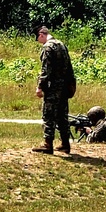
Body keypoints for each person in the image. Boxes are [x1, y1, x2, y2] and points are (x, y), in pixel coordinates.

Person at [32, 26, 76, 155]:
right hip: (64, 87)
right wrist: (71, 85)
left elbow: (46, 70)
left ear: (41, 34)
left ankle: (47, 144)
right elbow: (69, 67)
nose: (39, 41)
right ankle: (65, 144)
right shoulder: (62, 45)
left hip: (53, 87)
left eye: (38, 38)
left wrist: (40, 87)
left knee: (48, 115)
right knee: (62, 116)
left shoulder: (48, 47)